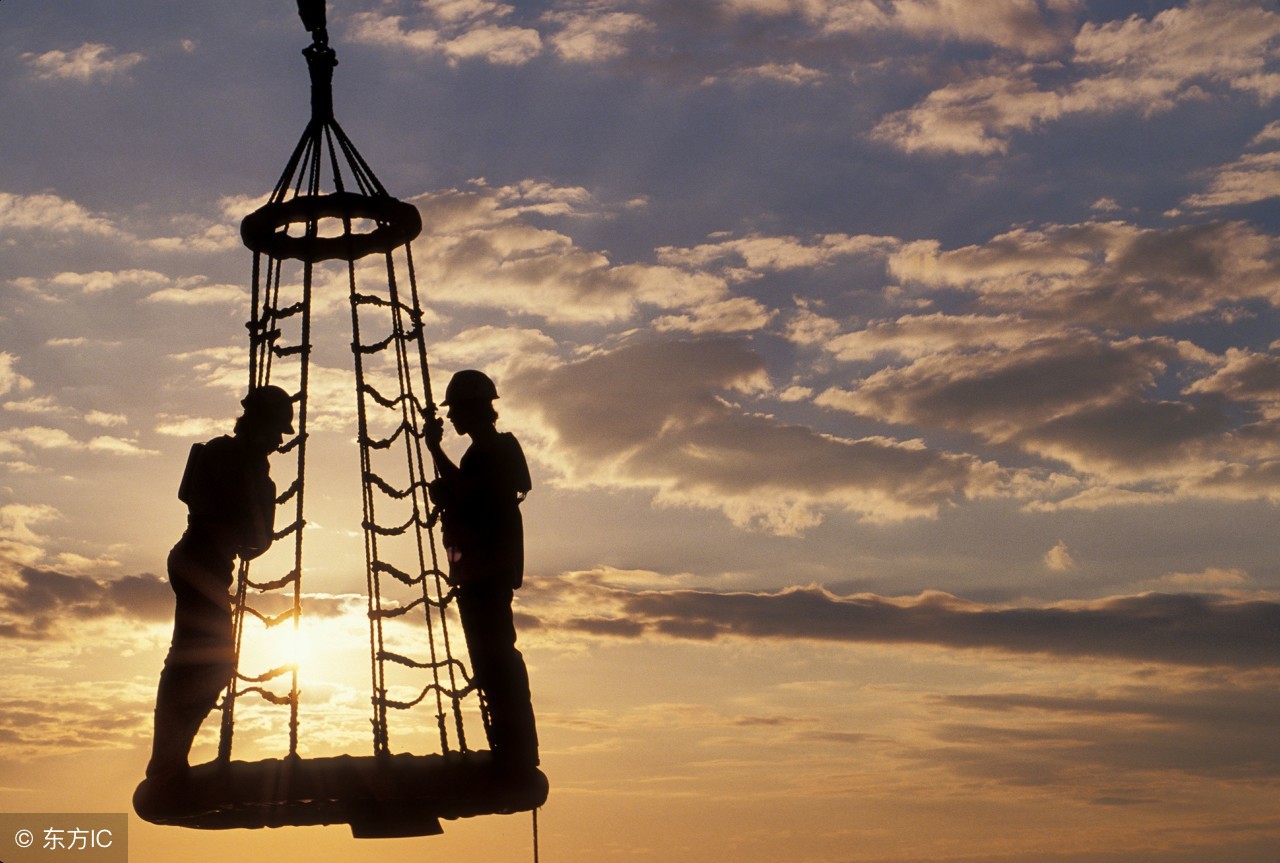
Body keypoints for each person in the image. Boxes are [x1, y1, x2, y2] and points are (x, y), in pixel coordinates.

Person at [145, 385, 294, 783]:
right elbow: (243, 535)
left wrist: (259, 495)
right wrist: (257, 496)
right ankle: (167, 761)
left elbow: (252, 543)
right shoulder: (230, 460)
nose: (278, 443)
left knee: (203, 661)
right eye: (276, 432)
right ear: (257, 425)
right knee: (205, 662)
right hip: (199, 563)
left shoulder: (236, 464)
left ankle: (169, 760)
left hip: (201, 564)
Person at [426, 370, 538, 769]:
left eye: (456, 410)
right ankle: (515, 747)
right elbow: (472, 492)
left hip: (484, 571)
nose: (453, 418)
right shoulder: (491, 451)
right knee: (493, 656)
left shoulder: (489, 452)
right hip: (484, 568)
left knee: (493, 656)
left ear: (474, 410)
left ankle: (515, 749)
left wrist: (434, 451)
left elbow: (469, 493)